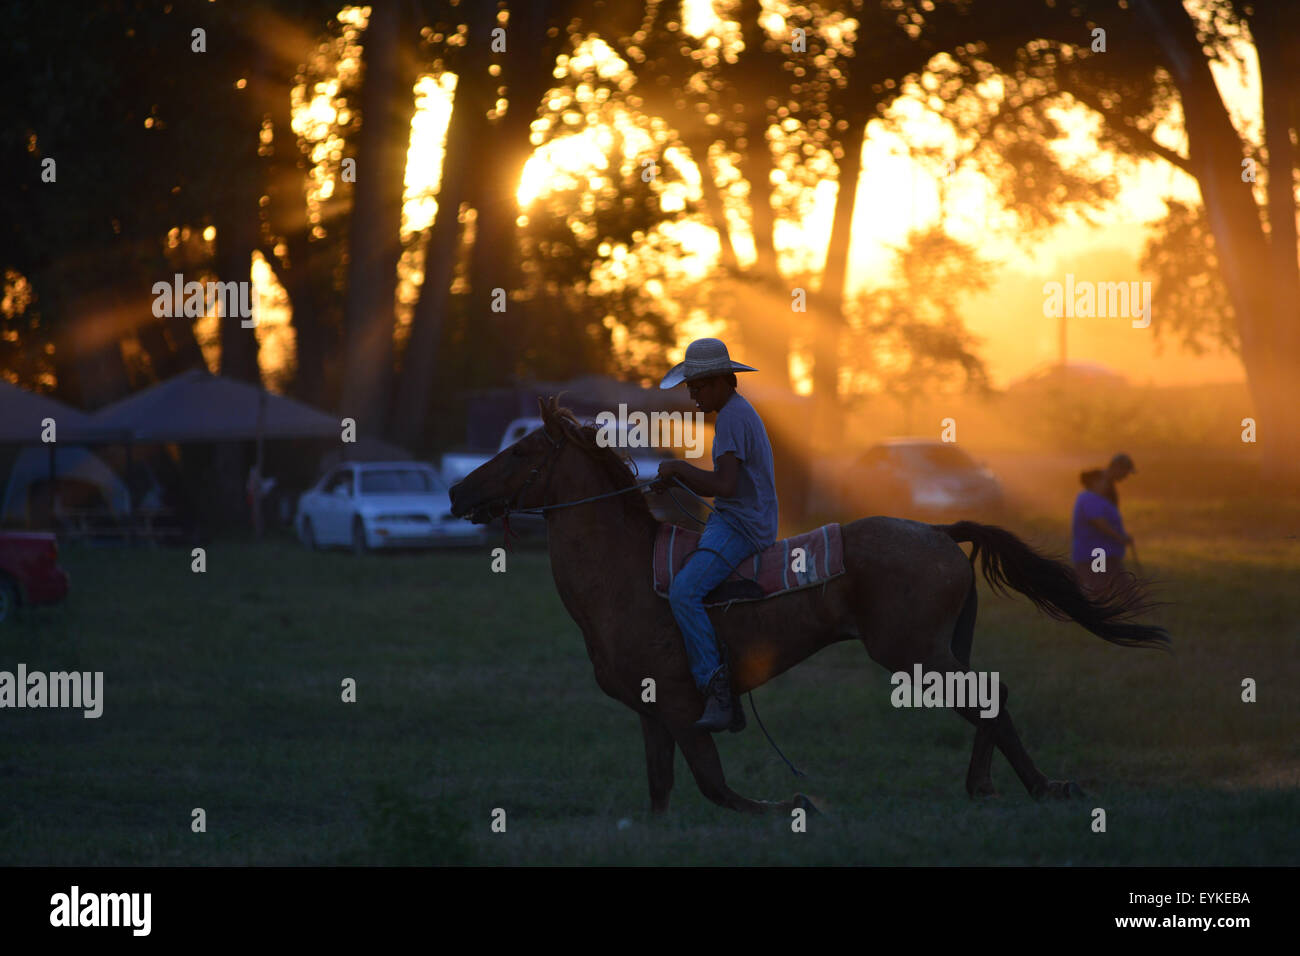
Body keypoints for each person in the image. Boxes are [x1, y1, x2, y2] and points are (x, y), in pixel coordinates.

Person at [654, 338, 779, 732]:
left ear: (721, 381)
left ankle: (716, 690)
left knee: (683, 592)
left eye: (697, 386)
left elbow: (724, 485)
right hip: (735, 518)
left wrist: (679, 472)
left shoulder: (731, 418)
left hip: (742, 525)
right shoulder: (735, 412)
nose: (692, 393)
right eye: (690, 387)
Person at [1071, 467, 1132, 596]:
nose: (1107, 484)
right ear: (1095, 482)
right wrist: (1120, 537)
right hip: (1096, 553)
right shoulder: (1090, 498)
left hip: (1102, 552)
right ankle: (1137, 611)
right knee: (1100, 588)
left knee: (1113, 586)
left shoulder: (1095, 498)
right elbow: (1099, 523)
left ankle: (1137, 611)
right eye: (1104, 481)